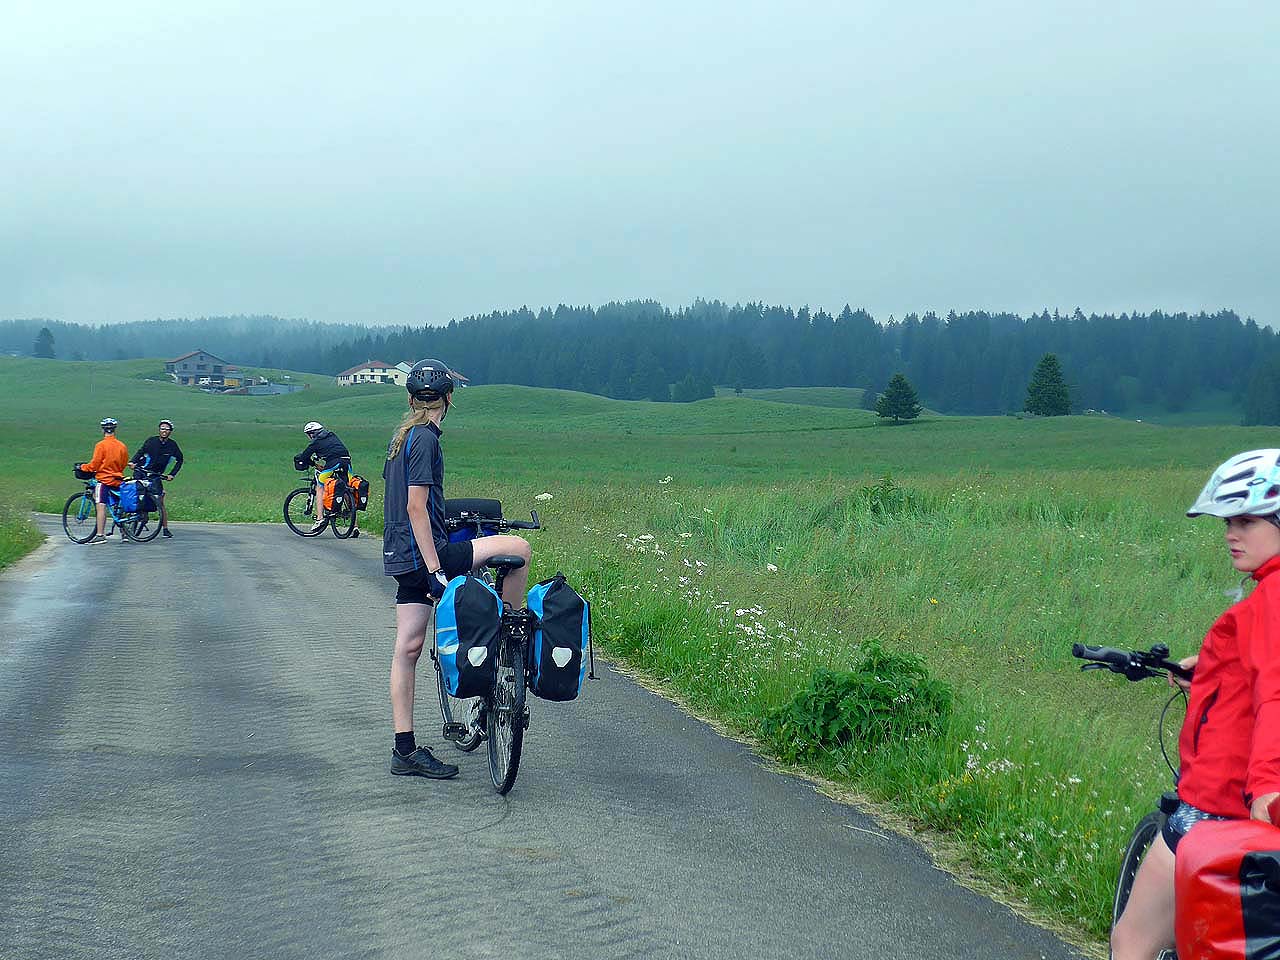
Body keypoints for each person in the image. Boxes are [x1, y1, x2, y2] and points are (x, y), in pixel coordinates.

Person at [1111, 448, 1280, 960]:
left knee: (1131, 941)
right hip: (1248, 812)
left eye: (1246, 521)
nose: (1231, 534)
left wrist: (1268, 786)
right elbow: (1256, 670)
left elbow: (1276, 692)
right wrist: (1208, 669)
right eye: (1228, 522)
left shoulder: (1272, 601)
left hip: (1219, 807)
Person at [383, 359, 531, 779]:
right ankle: (506, 644)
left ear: (410, 399)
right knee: (519, 548)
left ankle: (404, 750)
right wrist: (436, 568)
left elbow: (410, 506)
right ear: (449, 398)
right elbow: (416, 506)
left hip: (400, 557)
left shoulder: (401, 437)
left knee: (408, 648)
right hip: (427, 557)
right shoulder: (426, 439)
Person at [294, 421, 353, 534]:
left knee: (320, 487)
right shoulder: (332, 435)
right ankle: (354, 525)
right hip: (347, 461)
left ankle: (320, 518)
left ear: (311, 434)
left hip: (334, 463)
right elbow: (333, 449)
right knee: (346, 488)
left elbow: (304, 457)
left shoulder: (315, 442)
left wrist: (313, 464)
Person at [78, 418, 129, 544]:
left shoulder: (101, 445)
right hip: (118, 479)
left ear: (103, 430)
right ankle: (125, 534)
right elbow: (124, 463)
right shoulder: (122, 446)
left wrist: (83, 467)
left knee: (101, 505)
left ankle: (100, 535)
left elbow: (94, 465)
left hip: (104, 480)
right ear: (115, 430)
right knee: (119, 506)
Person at [131, 418, 184, 538]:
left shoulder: (172, 445)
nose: (164, 431)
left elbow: (180, 460)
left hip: (156, 475)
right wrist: (133, 462)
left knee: (160, 501)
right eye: (162, 428)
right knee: (137, 496)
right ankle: (135, 518)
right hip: (142, 472)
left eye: (167, 429)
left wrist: (172, 474)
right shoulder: (151, 441)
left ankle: (165, 528)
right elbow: (141, 452)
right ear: (159, 430)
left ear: (170, 431)